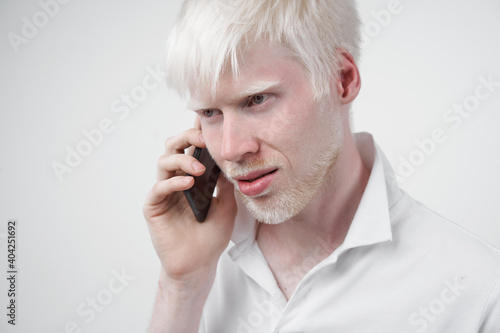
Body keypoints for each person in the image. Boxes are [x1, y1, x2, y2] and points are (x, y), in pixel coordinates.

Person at [143, 0, 500, 332]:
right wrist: (182, 287)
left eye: (256, 99)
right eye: (210, 113)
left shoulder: (477, 290)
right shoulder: (198, 258)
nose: (231, 149)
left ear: (341, 79)